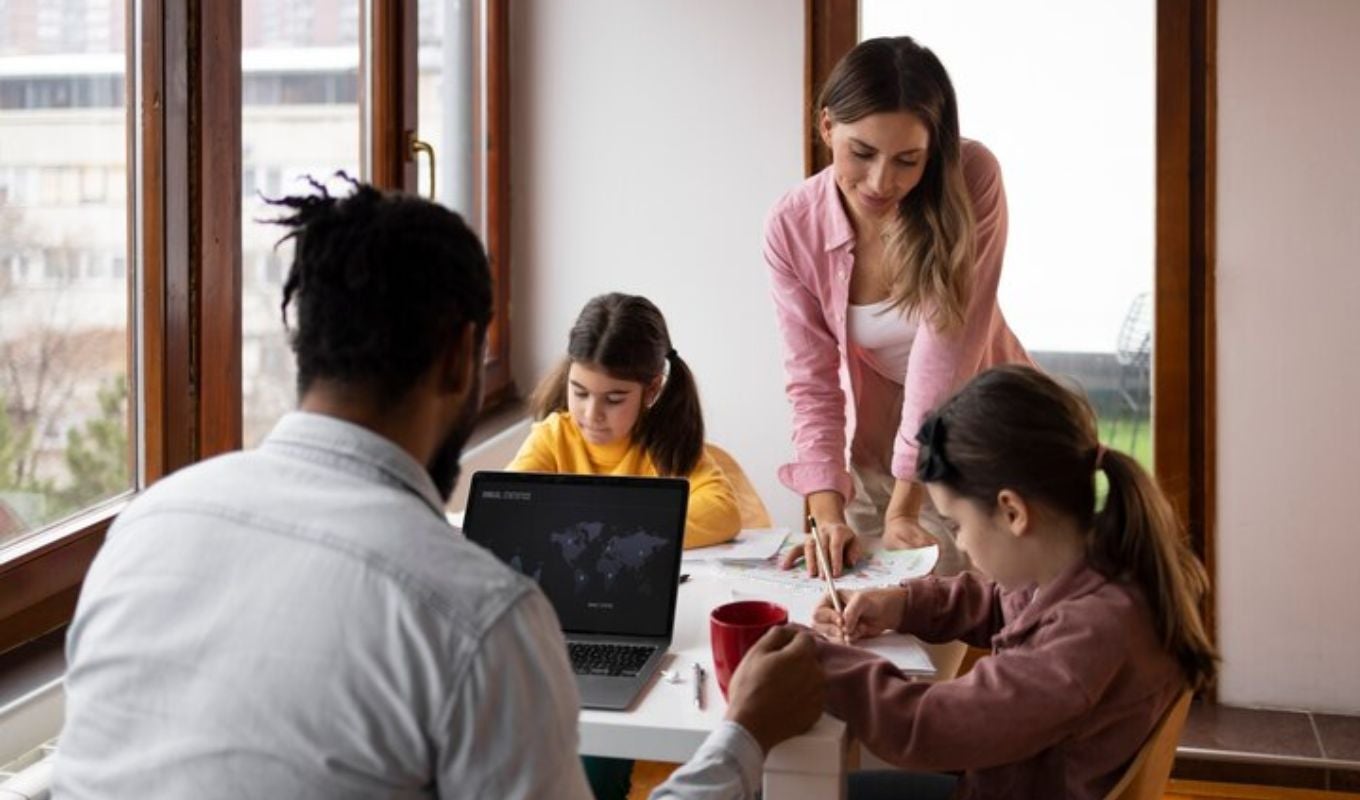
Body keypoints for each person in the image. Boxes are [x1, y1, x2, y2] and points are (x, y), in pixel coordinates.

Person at [54, 179, 824, 800]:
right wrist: (745, 735)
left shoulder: (144, 529)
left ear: (304, 337)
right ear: (462, 357)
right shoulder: (480, 615)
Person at [810, 365, 1219, 799]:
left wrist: (815, 660)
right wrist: (902, 604)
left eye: (957, 524)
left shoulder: (1090, 633)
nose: (959, 542)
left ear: (1012, 512)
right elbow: (1003, 602)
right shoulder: (1091, 566)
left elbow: (929, 727)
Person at [766, 36, 1033, 578]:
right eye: (861, 153)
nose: (881, 182)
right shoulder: (793, 226)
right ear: (826, 127)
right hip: (877, 456)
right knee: (867, 616)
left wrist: (906, 506)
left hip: (987, 447)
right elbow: (812, 382)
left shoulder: (972, 178)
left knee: (987, 616)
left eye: (908, 160)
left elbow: (947, 353)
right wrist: (826, 516)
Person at [510, 292, 742, 549]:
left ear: (652, 389)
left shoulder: (666, 444)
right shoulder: (552, 437)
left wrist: (608, 530)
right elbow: (507, 507)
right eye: (580, 393)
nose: (591, 414)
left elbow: (724, 511)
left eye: (613, 400)